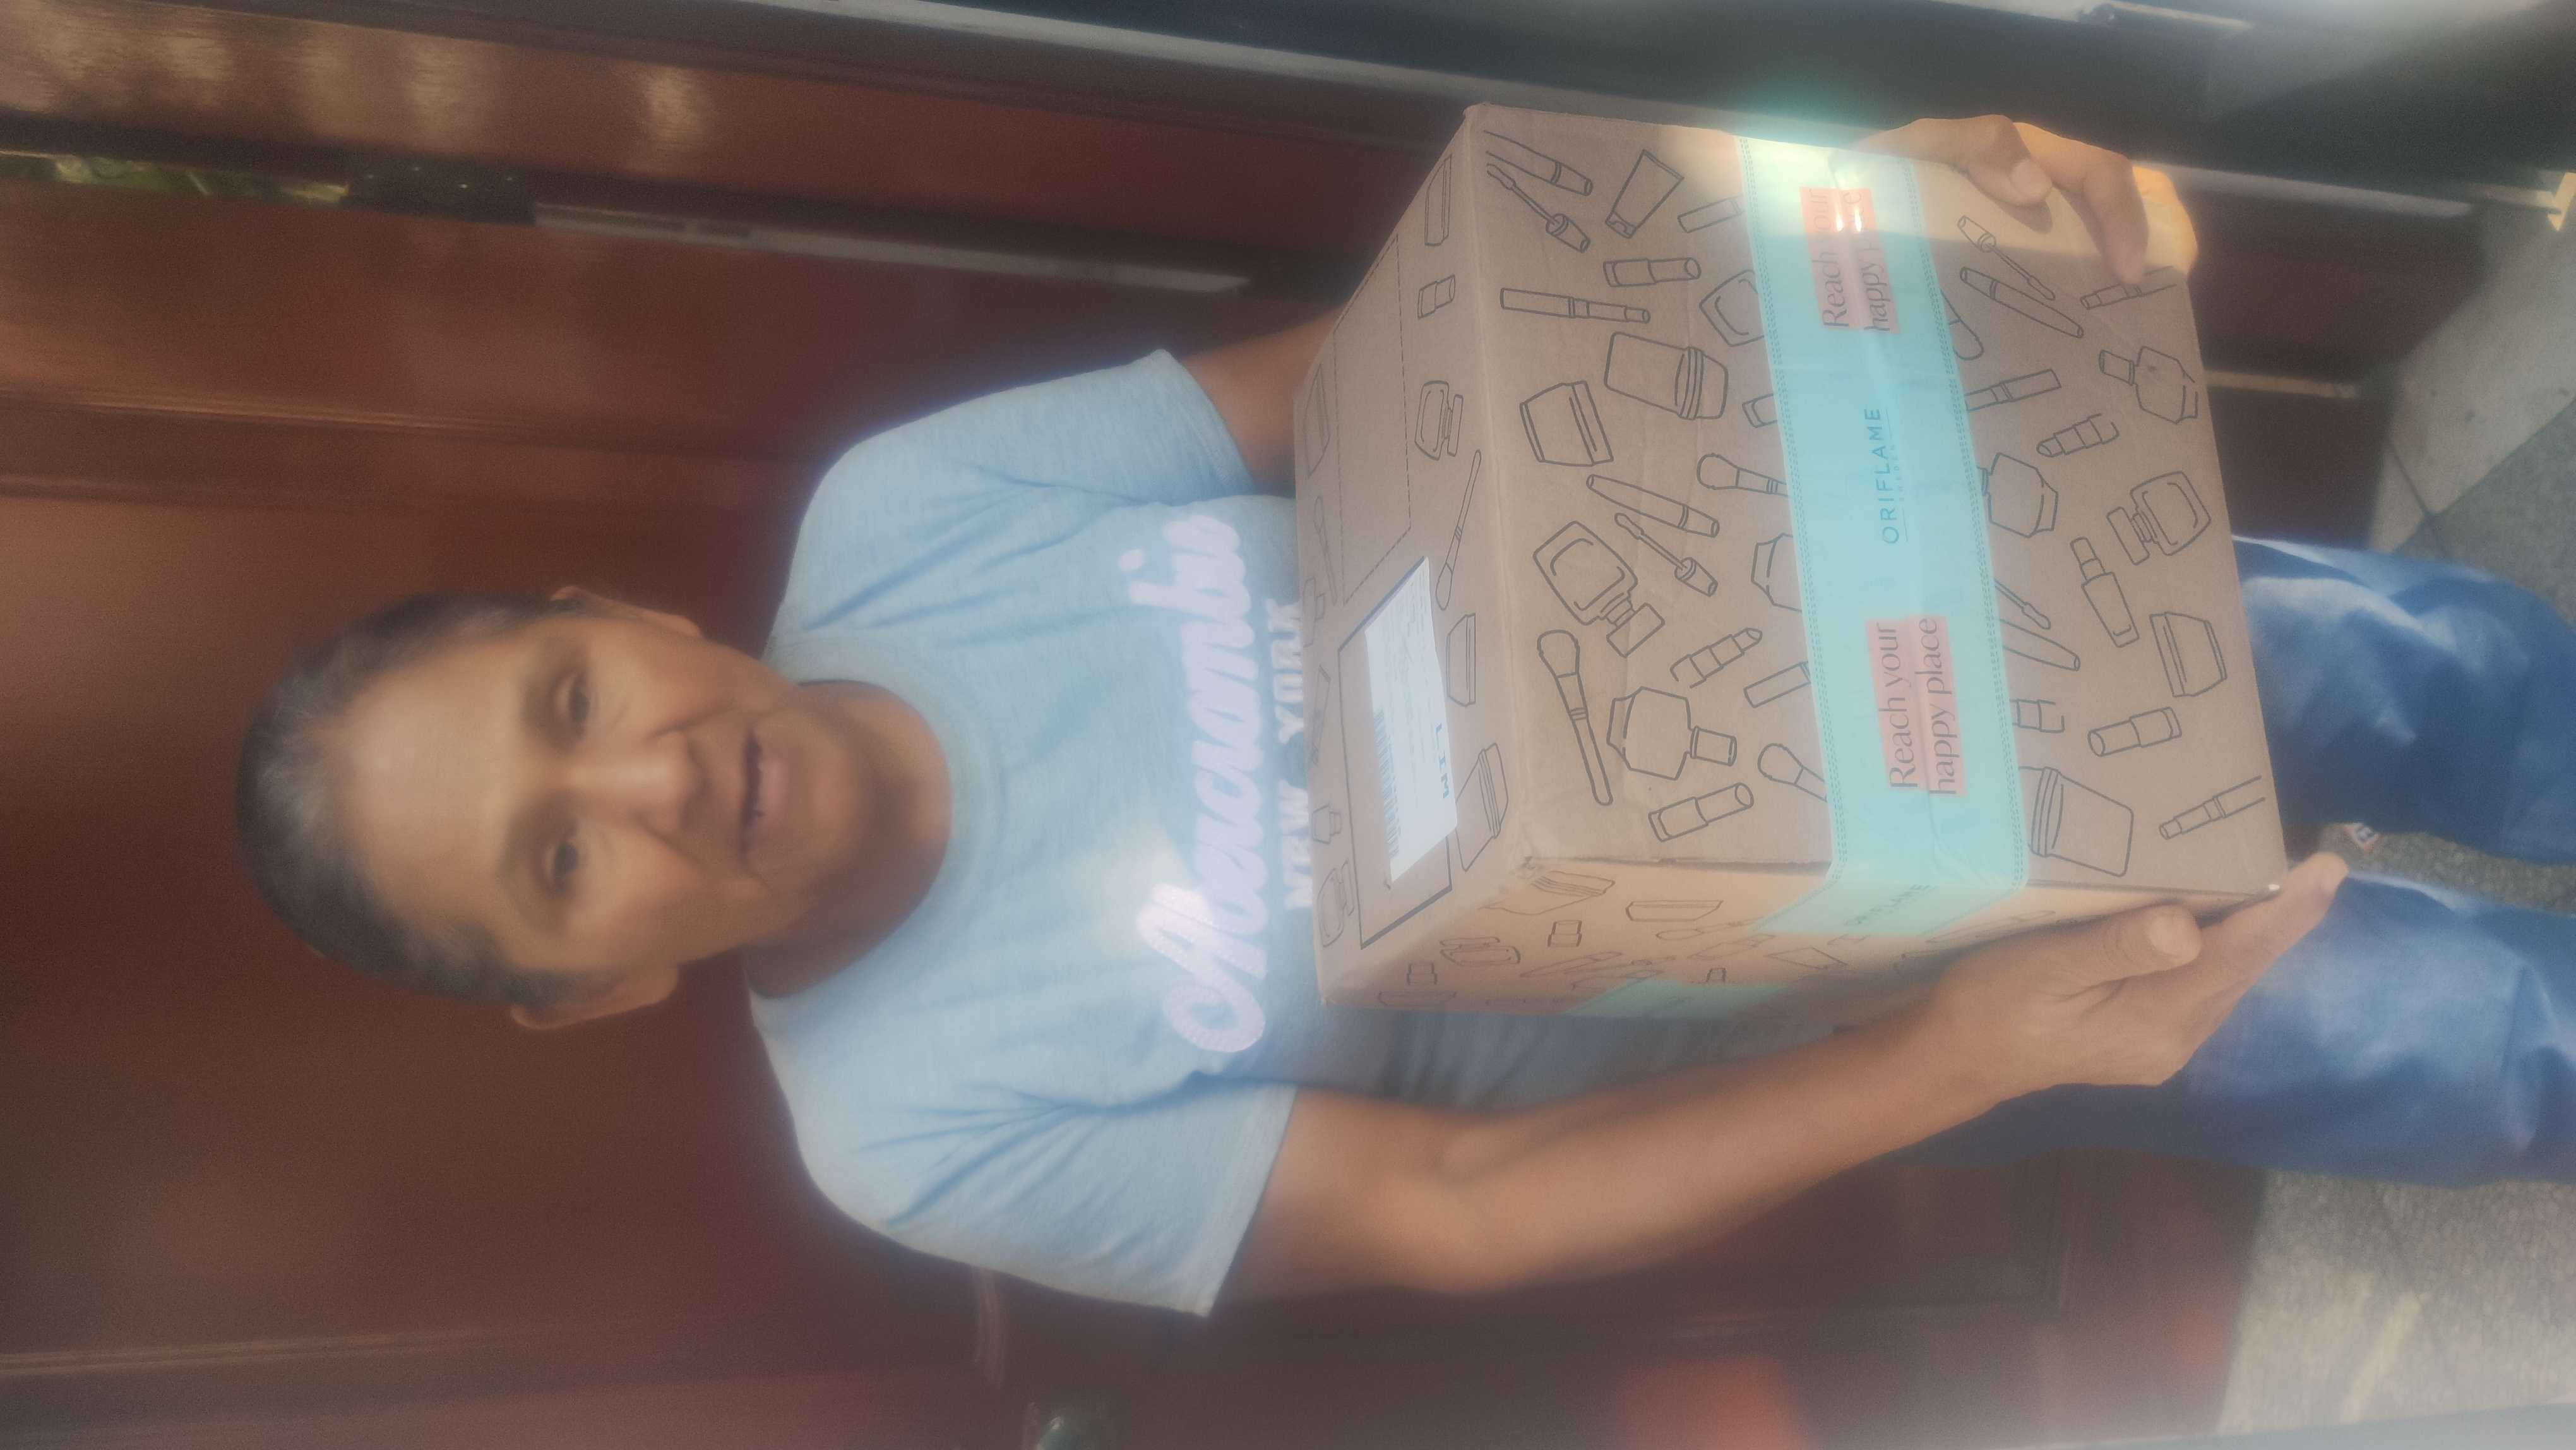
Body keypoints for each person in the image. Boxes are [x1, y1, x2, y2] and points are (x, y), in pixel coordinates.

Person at [235, 116, 2576, 1314]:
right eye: (560, 858)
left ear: (615, 611)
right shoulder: (910, 1130)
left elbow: (1384, 384)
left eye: (569, 699)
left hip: (1873, 619)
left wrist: (1823, 212)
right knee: (2457, 1042)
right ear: (591, 989)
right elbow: (1466, 1206)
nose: (649, 778)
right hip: (1856, 1001)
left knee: (2404, 667)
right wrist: (1966, 1056)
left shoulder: (915, 511)